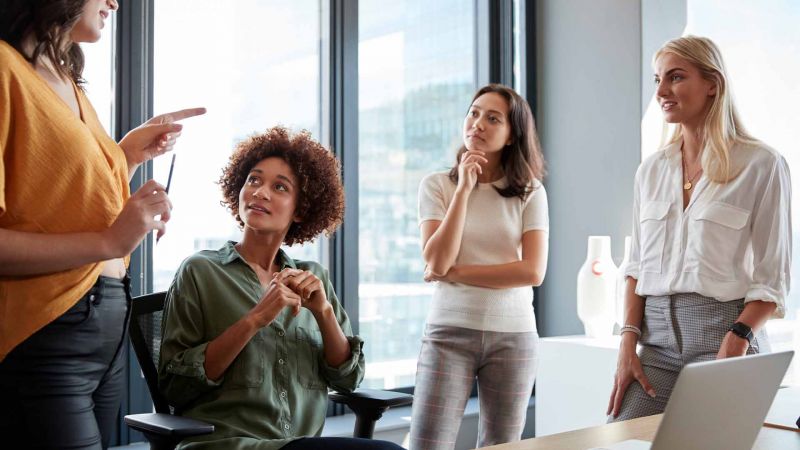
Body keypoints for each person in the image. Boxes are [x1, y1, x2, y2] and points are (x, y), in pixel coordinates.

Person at [0, 1, 205, 448]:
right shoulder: (3, 69)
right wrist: (110, 239)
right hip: (48, 328)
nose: (114, 1)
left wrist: (128, 154)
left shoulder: (66, 80)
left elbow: (64, 201)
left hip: (107, 326)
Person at [158, 127, 403, 450]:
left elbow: (348, 379)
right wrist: (255, 319)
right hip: (228, 444)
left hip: (300, 444)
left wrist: (324, 312)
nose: (260, 192)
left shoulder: (313, 277)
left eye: (280, 187)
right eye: (254, 180)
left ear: (301, 210)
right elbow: (175, 388)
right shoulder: (201, 271)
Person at [607, 35, 791, 421]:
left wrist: (737, 340)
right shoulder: (651, 171)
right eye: (657, 79)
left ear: (712, 84)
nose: (661, 91)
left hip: (723, 336)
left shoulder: (762, 164)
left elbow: (772, 279)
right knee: (620, 438)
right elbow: (636, 267)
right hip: (655, 345)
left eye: (675, 77)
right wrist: (627, 345)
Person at [410, 84, 549, 449]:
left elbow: (532, 271)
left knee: (501, 446)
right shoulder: (438, 186)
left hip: (514, 335)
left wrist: (455, 274)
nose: (478, 124)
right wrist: (464, 190)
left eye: (492, 118)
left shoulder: (529, 191)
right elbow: (437, 258)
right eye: (473, 113)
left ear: (511, 134)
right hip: (449, 331)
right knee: (427, 443)